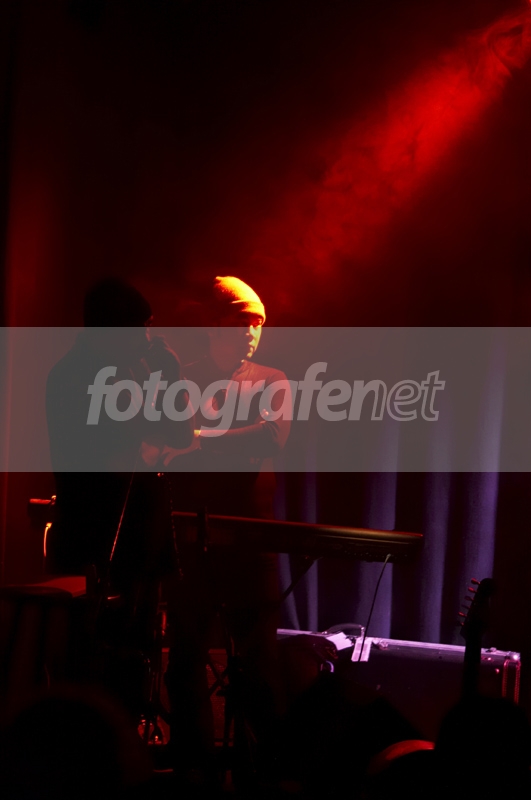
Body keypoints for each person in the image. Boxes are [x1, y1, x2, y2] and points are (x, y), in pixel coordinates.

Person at [161, 276, 291, 792]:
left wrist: (199, 438)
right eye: (245, 321)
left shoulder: (272, 380)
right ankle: (194, 770)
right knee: (186, 658)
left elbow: (271, 437)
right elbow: (167, 443)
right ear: (216, 325)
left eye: (259, 322)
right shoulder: (184, 379)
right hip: (193, 537)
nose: (254, 331)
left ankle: (265, 772)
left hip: (250, 542)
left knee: (258, 662)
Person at [45, 278, 193, 686]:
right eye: (141, 328)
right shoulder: (80, 376)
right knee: (103, 663)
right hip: (101, 540)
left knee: (135, 656)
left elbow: (178, 434)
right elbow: (156, 437)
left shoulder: (126, 370)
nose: (148, 339)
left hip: (133, 541)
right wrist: (169, 377)